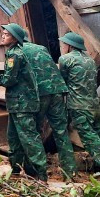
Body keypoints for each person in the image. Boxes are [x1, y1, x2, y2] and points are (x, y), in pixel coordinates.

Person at [0, 23, 47, 181]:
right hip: (17, 105)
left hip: (23, 104)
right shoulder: (13, 52)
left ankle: (41, 173)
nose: (3, 36)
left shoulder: (15, 54)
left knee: (29, 138)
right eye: (2, 33)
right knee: (14, 139)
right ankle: (17, 170)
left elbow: (9, 80)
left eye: (6, 34)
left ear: (15, 38)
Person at [58, 32, 100, 173]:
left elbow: (61, 80)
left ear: (70, 46)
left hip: (78, 105)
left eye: (65, 44)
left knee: (88, 137)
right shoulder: (89, 60)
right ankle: (99, 166)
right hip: (93, 104)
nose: (64, 46)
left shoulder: (66, 59)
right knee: (96, 135)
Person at [22, 40, 77, 179]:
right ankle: (70, 173)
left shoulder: (18, 50)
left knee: (35, 132)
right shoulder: (41, 47)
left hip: (40, 93)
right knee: (61, 131)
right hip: (57, 90)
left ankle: (39, 174)